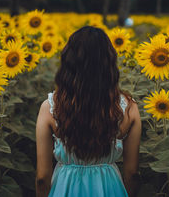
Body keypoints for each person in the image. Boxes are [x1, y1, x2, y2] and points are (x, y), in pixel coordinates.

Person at [35, 26, 142, 197]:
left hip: (65, 187)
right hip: (110, 188)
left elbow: (42, 177)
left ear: (68, 61)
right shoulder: (129, 108)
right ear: (109, 62)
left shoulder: (50, 107)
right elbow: (132, 173)